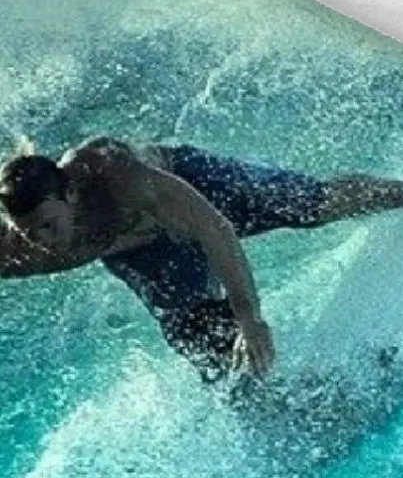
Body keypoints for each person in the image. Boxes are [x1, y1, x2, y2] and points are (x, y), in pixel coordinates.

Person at [1, 134, 403, 384]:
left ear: (69, 195)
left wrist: (250, 318)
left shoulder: (113, 172)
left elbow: (215, 229)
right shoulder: (21, 250)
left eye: (48, 226)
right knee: (211, 351)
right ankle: (300, 405)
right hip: (146, 256)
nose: (43, 242)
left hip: (194, 188)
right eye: (28, 233)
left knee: (311, 205)